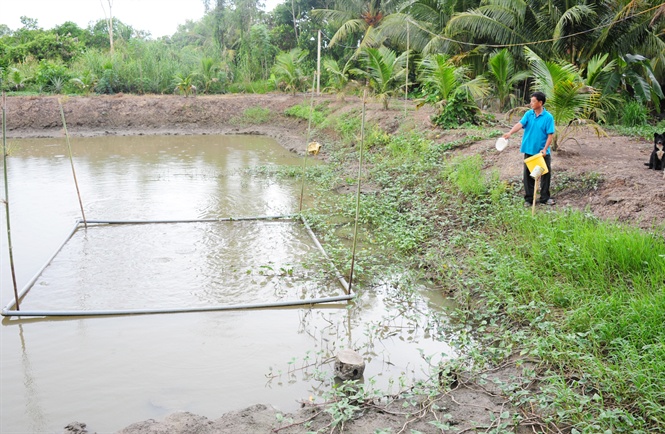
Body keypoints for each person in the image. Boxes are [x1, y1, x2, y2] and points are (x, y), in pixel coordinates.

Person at [503, 91, 556, 206]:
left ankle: (545, 198)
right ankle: (529, 199)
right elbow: (520, 124)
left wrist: (545, 149)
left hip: (542, 152)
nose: (531, 103)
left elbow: (550, 135)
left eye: (533, 101)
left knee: (545, 175)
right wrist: (510, 133)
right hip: (529, 149)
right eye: (531, 101)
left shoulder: (548, 117)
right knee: (528, 176)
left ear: (540, 103)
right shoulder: (528, 114)